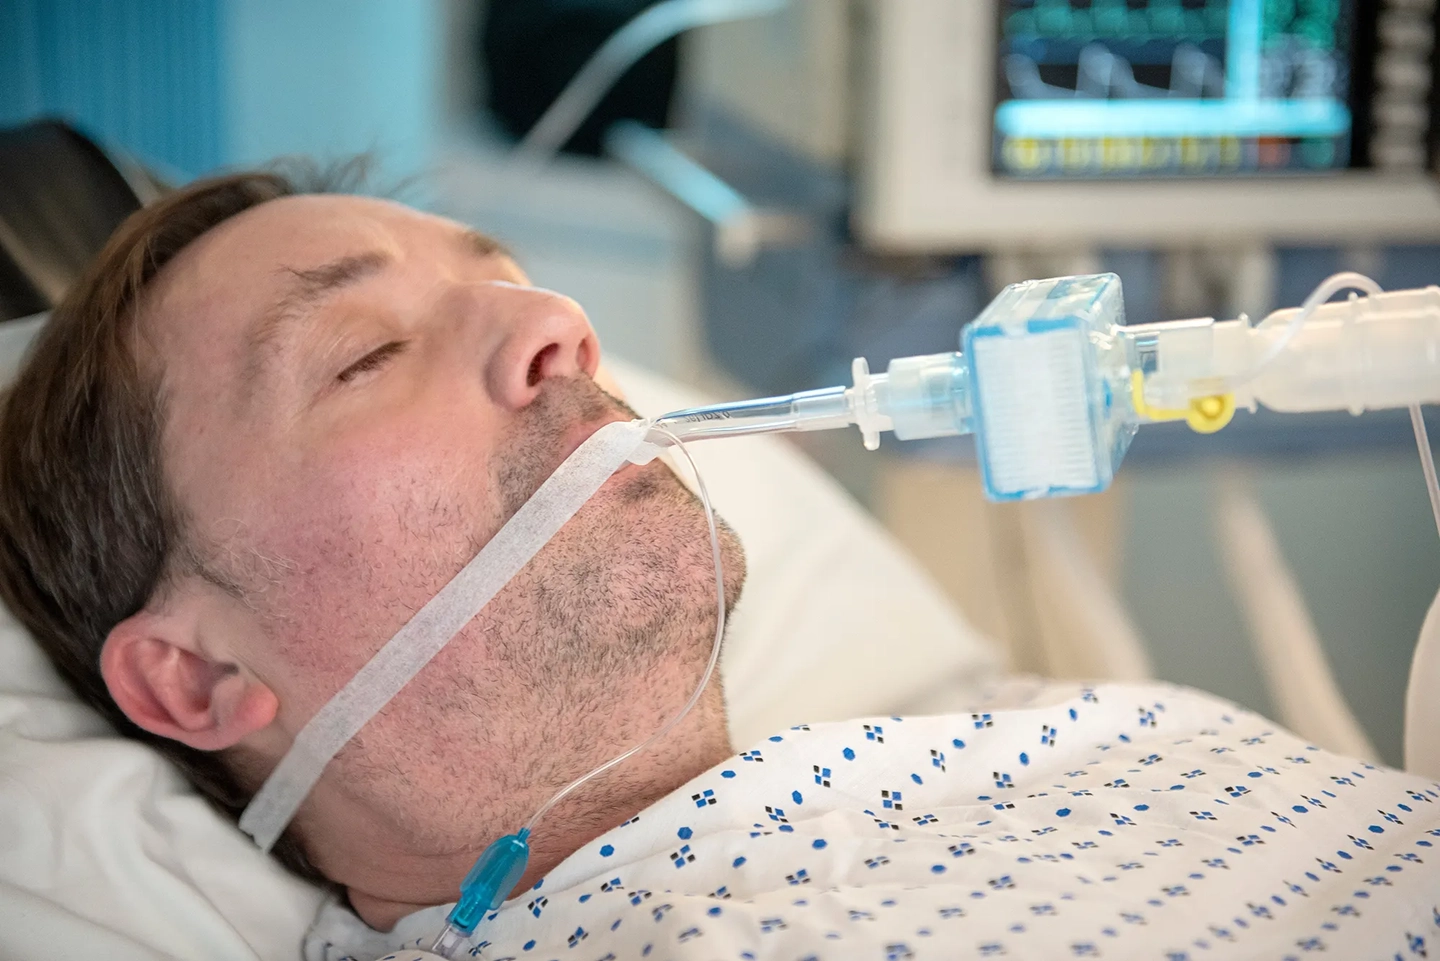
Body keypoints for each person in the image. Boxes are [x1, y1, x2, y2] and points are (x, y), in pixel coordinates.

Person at [0, 170, 1435, 961]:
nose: (557, 322)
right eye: (367, 352)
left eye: (504, 277)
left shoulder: (1043, 736)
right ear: (194, 678)